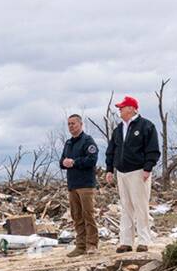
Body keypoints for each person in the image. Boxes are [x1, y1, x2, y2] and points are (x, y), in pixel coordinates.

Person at [104, 95, 161, 253]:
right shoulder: (118, 129)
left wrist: (148, 168)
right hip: (122, 172)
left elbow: (153, 149)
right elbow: (111, 151)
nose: (119, 110)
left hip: (138, 171)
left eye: (122, 107)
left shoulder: (146, 126)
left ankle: (144, 240)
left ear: (131, 108)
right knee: (126, 207)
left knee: (140, 206)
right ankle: (126, 241)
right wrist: (109, 169)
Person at [59, 113, 99, 257]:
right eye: (69, 124)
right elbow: (62, 161)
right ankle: (80, 245)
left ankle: (92, 244)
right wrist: (64, 163)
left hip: (85, 184)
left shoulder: (88, 141)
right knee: (76, 216)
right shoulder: (68, 143)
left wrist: (75, 162)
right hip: (72, 184)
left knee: (88, 214)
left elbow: (92, 160)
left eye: (73, 123)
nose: (71, 126)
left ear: (81, 125)